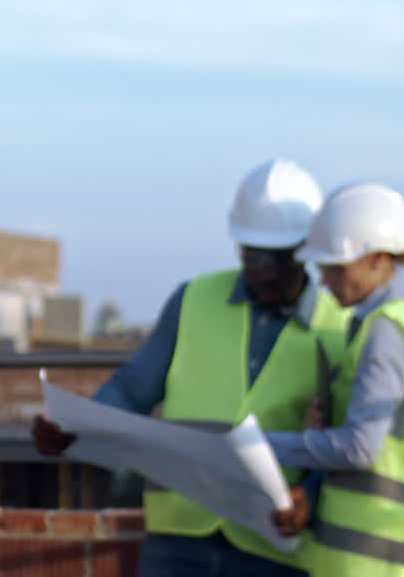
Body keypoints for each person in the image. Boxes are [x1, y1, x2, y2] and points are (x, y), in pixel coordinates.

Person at [33, 159, 350, 576]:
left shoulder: (339, 327)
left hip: (273, 543)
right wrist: (76, 426)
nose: (267, 273)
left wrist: (310, 492)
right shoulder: (194, 300)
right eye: (254, 257)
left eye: (281, 259)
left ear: (306, 252)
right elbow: (133, 390)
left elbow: (347, 440)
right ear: (238, 246)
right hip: (179, 535)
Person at [266, 183, 404, 577]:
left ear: (379, 260)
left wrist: (263, 447)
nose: (326, 283)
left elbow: (360, 448)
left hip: (379, 555)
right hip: (379, 552)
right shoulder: (392, 325)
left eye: (336, 268)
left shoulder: (385, 333)